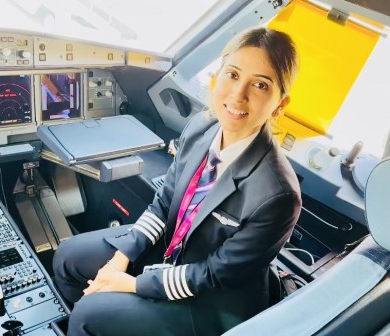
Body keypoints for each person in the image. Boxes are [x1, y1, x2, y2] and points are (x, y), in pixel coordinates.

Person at [53, 27, 302, 336]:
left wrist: (131, 284)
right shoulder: (202, 127)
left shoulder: (278, 194)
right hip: (175, 249)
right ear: (216, 77)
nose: (239, 95)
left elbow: (215, 275)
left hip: (215, 298)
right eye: (233, 75)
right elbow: (165, 202)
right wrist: (120, 260)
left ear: (280, 104)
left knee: (88, 316)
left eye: (260, 85)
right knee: (67, 258)